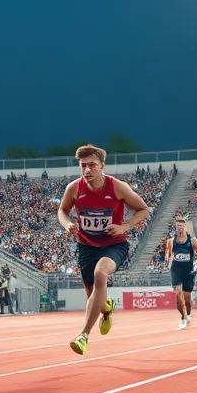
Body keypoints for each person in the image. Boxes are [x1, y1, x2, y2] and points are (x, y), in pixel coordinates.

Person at [59, 144, 150, 354]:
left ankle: (83, 336)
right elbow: (62, 211)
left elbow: (143, 210)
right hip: (86, 247)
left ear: (102, 166)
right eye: (83, 166)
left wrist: (124, 226)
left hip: (113, 245)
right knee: (92, 296)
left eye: (92, 165)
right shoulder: (73, 189)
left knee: (101, 275)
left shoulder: (117, 187)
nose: (87, 170)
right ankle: (106, 309)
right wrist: (67, 224)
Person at [164, 216, 197, 330]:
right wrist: (168, 258)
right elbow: (167, 254)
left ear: (184, 226)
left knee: (187, 298)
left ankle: (188, 314)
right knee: (178, 296)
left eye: (181, 225)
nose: (179, 228)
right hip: (176, 269)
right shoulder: (171, 240)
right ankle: (182, 317)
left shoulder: (192, 240)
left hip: (189, 270)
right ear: (175, 227)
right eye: (177, 226)